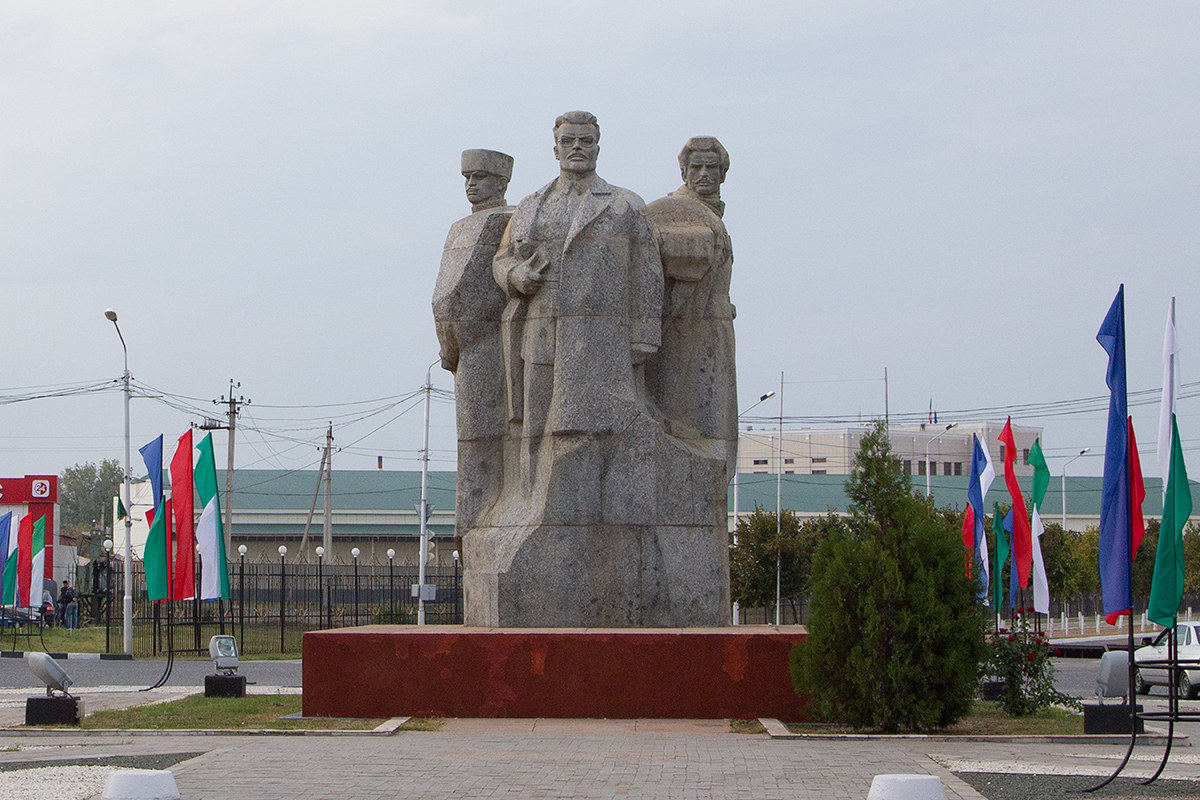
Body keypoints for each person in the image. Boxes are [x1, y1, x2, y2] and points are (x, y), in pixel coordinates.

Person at [492, 111, 662, 499]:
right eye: (569, 141)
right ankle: (532, 499)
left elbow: (648, 273)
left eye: (585, 141)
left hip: (602, 337)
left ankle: (601, 498)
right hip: (541, 329)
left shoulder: (625, 205)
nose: (577, 148)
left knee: (603, 424)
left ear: (598, 147)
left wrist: (645, 336)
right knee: (536, 424)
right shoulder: (532, 204)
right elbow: (502, 259)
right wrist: (516, 277)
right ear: (555, 149)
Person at [645, 136, 738, 480]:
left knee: (715, 422)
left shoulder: (711, 214)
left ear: (722, 173)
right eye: (695, 167)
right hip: (685, 334)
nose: (703, 174)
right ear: (683, 170)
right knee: (695, 424)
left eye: (710, 167)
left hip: (715, 329)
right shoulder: (673, 212)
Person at [433, 149, 515, 531]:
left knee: (487, 437)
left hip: (491, 343)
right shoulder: (458, 227)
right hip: (460, 349)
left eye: (480, 176)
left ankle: (486, 518)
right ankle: (474, 521)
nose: (471, 184)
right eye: (467, 177)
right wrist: (448, 342)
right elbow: (446, 296)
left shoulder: (507, 220)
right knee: (471, 439)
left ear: (500, 182)